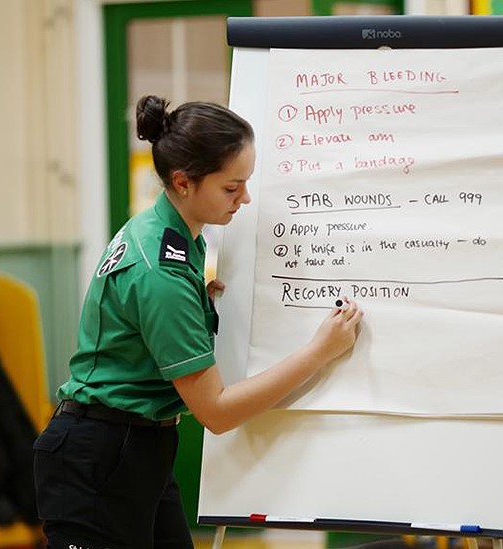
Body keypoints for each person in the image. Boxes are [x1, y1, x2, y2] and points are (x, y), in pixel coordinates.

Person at [33, 95, 364, 549]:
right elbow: (217, 412)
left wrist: (197, 302)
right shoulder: (161, 272)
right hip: (98, 456)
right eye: (232, 188)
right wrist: (318, 352)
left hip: (138, 447)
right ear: (183, 182)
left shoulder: (168, 234)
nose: (245, 198)